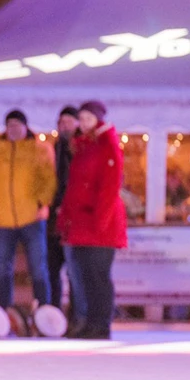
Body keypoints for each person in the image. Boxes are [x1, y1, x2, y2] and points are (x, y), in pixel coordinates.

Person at [0, 109, 57, 316]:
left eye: (17, 125)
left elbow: (49, 179)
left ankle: (43, 312)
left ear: (25, 126)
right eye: (9, 125)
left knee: (38, 268)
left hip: (32, 218)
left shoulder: (39, 149)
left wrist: (42, 202)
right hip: (3, 220)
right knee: (1, 268)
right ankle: (2, 313)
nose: (13, 129)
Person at [59, 101, 127, 340]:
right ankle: (89, 322)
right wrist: (66, 218)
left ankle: (101, 323)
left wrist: (101, 221)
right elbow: (74, 187)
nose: (85, 123)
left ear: (98, 120)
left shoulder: (107, 146)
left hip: (100, 223)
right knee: (85, 275)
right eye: (82, 118)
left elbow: (109, 188)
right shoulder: (83, 147)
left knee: (98, 275)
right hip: (82, 222)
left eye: (89, 118)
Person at [50, 106, 85, 327]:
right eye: (61, 122)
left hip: (75, 217)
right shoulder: (56, 148)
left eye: (68, 122)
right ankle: (54, 317)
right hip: (55, 217)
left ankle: (77, 317)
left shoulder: (82, 148)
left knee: (75, 270)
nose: (64, 126)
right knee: (53, 269)